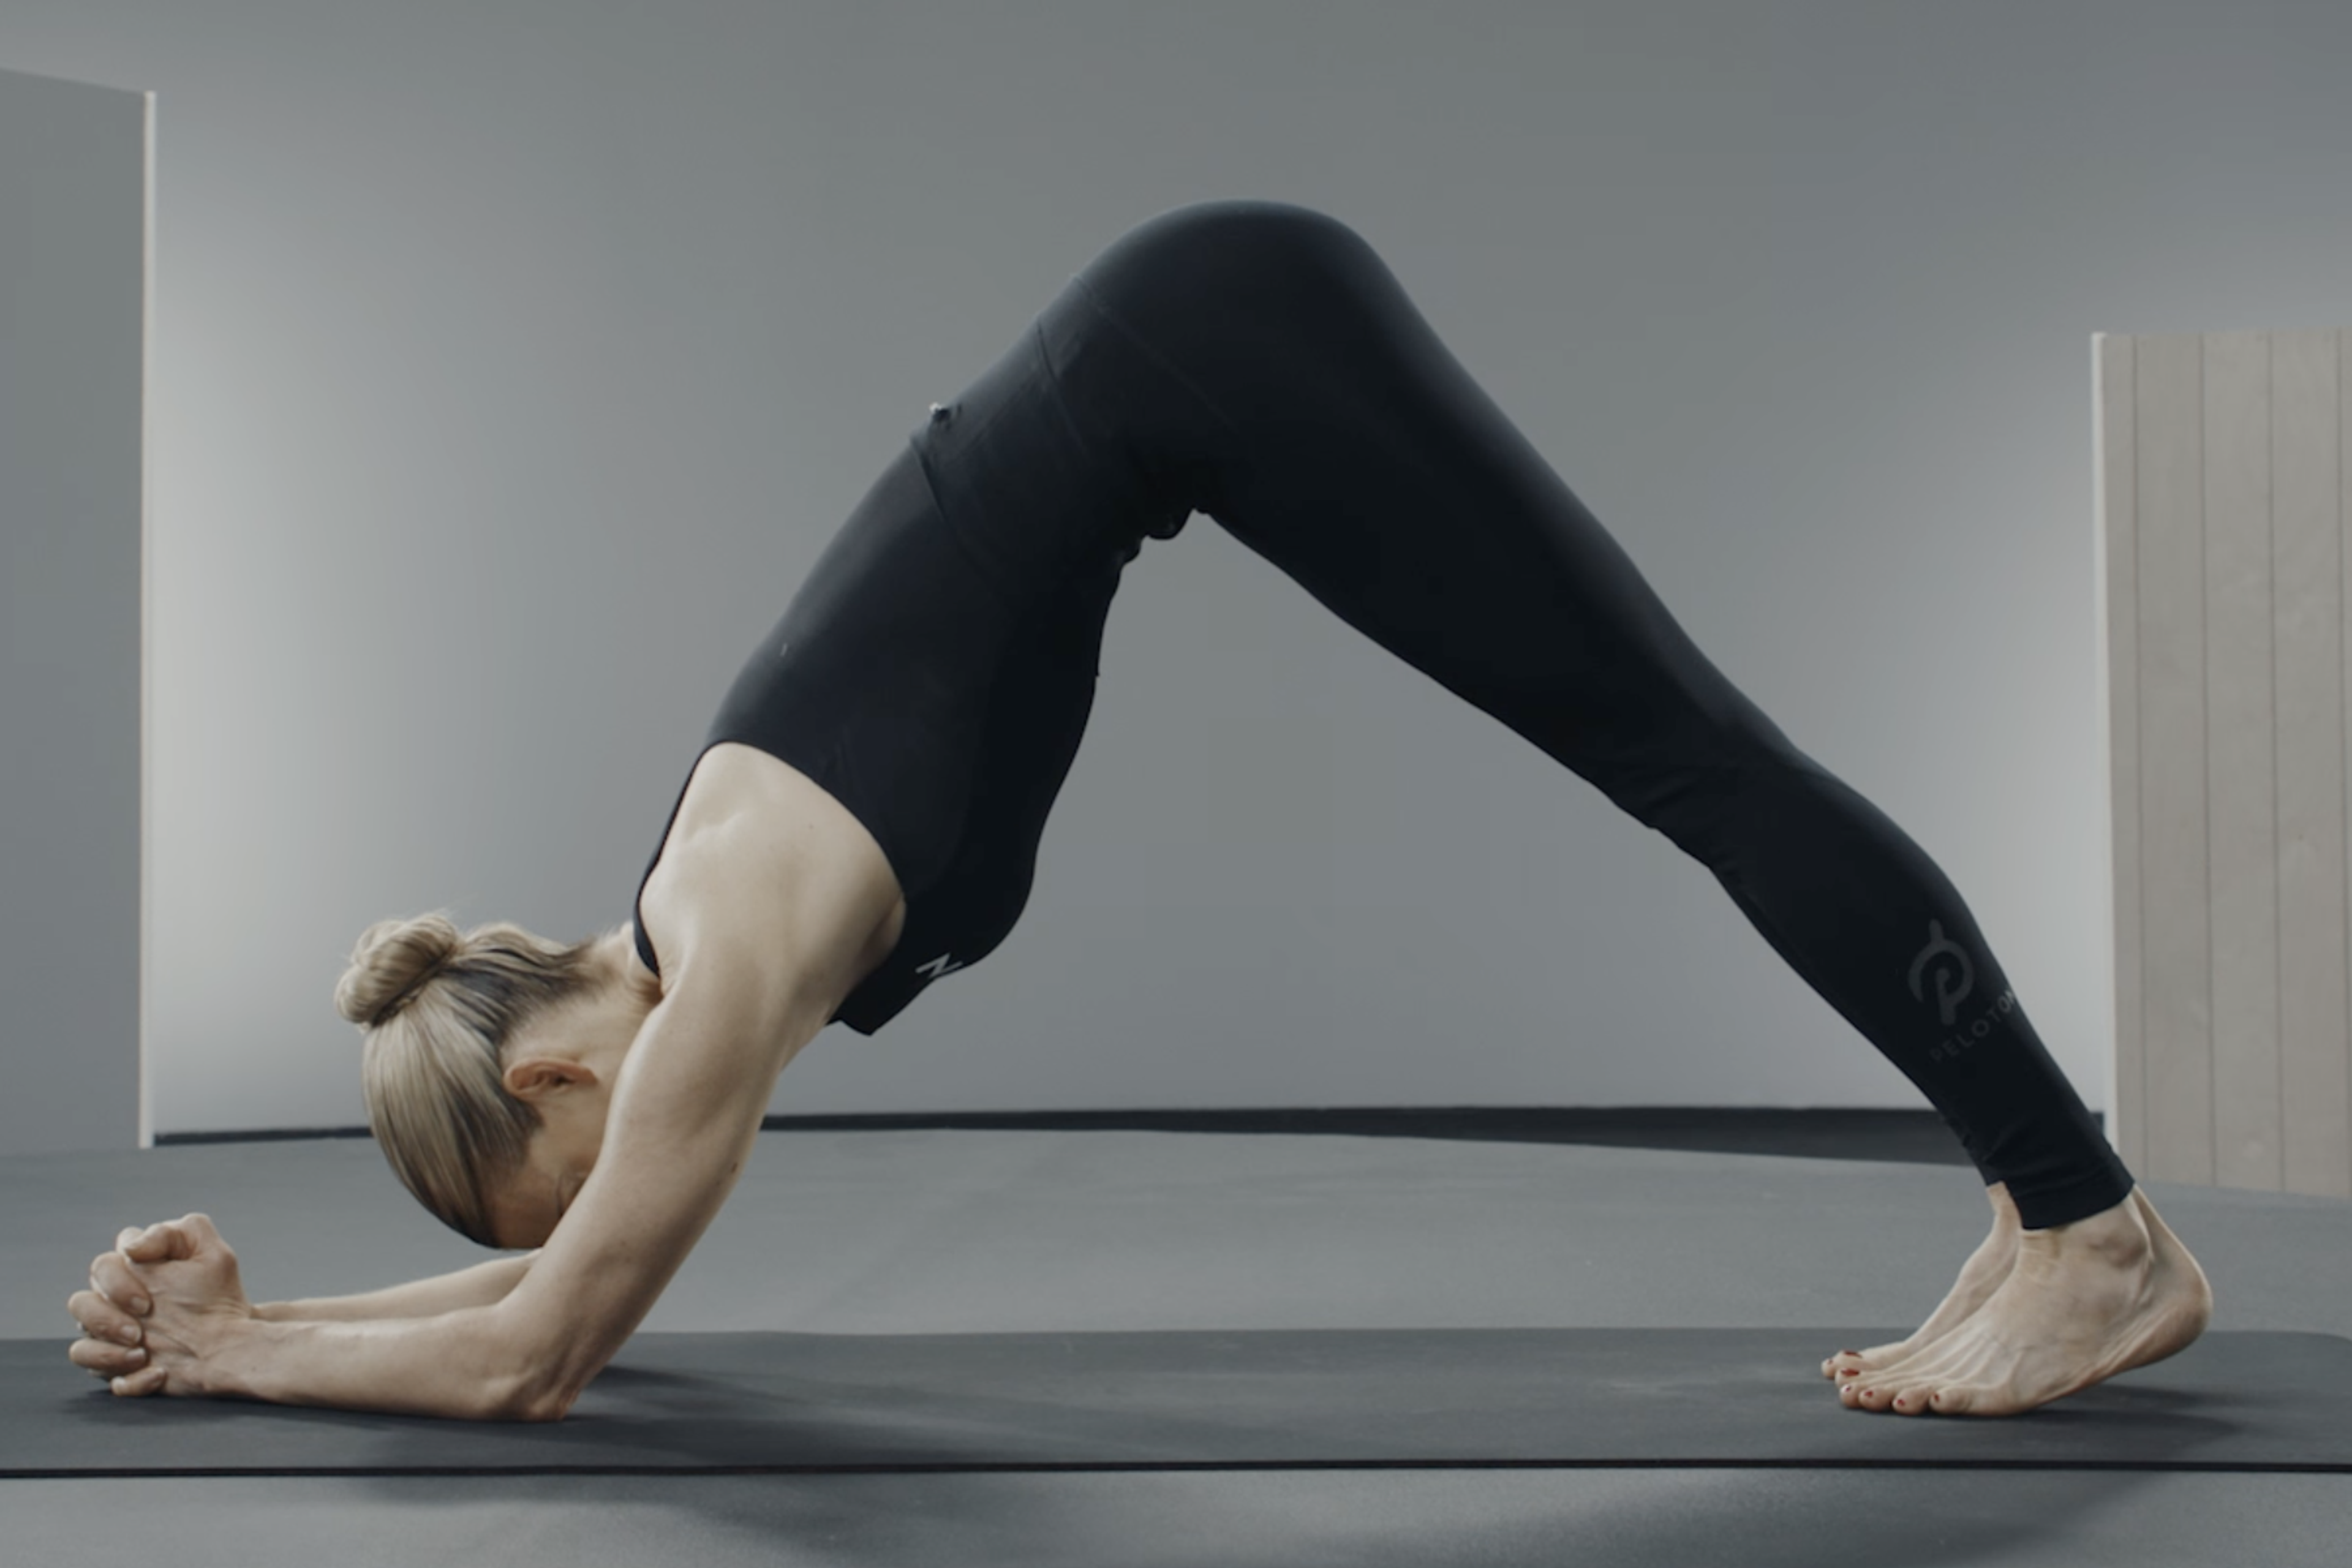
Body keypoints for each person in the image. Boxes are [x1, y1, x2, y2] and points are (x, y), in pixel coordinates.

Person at [66, 199, 2211, 1422]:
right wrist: (254, 1324)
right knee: (1687, 760)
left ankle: (2093, 1227)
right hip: (1193, 352)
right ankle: (2047, 1219)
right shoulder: (679, 918)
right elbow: (548, 1301)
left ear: (555, 1065)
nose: (635, 1194)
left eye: (577, 1168)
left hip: (1203, 345)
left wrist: (244, 1356)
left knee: (1686, 756)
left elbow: (546, 1350)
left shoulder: (720, 964)